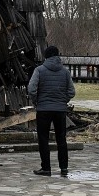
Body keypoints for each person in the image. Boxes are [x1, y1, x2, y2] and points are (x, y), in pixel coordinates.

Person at [27, 45, 76, 177]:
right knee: (61, 139)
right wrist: (62, 101)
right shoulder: (65, 72)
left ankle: (46, 168)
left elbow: (31, 89)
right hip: (60, 110)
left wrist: (36, 101)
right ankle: (64, 168)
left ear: (46, 56)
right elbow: (72, 91)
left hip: (43, 109)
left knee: (43, 139)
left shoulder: (39, 70)